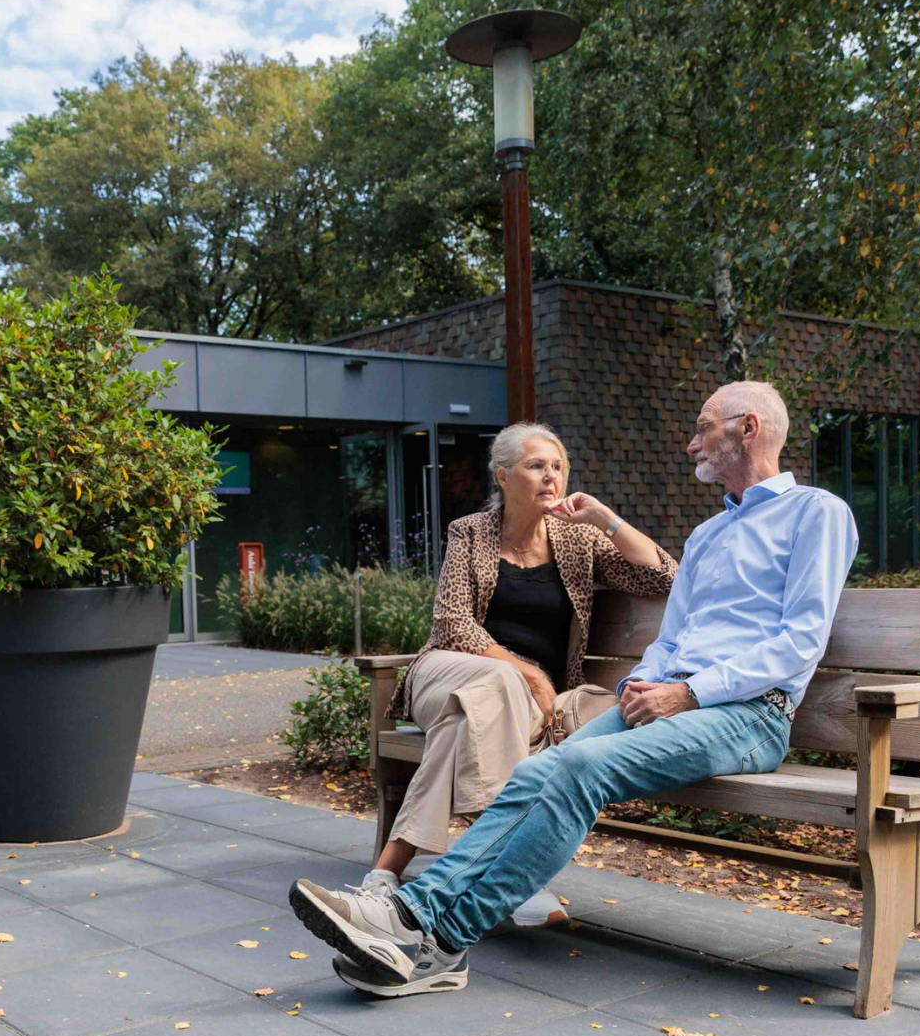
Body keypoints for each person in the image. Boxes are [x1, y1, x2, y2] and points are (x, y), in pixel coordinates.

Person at [291, 381, 859, 995]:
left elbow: (800, 642)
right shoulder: (708, 535)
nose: (692, 441)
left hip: (748, 714)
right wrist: (652, 680)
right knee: (543, 770)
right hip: (669, 700)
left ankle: (426, 928)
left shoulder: (816, 513)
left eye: (703, 427)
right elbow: (674, 635)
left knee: (581, 763)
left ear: (746, 428)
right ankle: (418, 930)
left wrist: (690, 694)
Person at [359, 423, 677, 928]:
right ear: (503, 476)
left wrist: (606, 519)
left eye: (558, 466)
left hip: (514, 707)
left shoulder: (579, 539)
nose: (550, 477)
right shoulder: (470, 532)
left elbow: (665, 575)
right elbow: (452, 623)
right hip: (448, 672)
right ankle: (515, 872)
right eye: (536, 466)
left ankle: (384, 875)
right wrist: (527, 673)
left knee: (464, 724)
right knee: (495, 685)